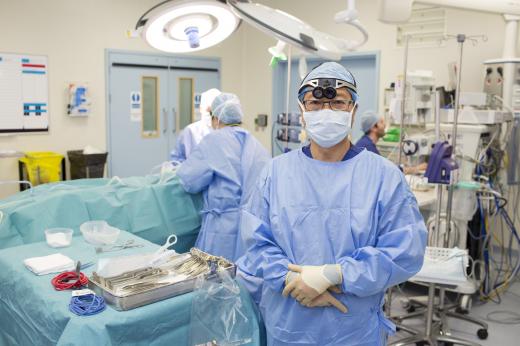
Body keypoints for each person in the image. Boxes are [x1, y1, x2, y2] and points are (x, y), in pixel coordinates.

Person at [237, 62, 427, 345]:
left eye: (338, 102)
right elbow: (256, 244)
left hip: (352, 328)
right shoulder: (274, 173)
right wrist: (293, 281)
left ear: (353, 111)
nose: (326, 112)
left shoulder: (384, 177)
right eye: (315, 103)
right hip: (290, 324)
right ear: (302, 112)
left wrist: (336, 275)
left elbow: (405, 251)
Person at [176, 93, 270, 262]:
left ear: (216, 118)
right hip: (252, 229)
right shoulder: (256, 145)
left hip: (221, 229)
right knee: (243, 279)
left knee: (215, 280)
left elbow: (189, 181)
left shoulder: (214, 140)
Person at [357, 110, 428, 174]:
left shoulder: (365, 142)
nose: (385, 125)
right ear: (373, 128)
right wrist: (417, 168)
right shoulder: (367, 148)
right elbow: (387, 170)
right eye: (381, 122)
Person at [170, 88, 221, 162]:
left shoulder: (227, 131)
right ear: (201, 109)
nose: (211, 114)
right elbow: (176, 160)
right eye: (208, 110)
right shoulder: (191, 131)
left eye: (214, 111)